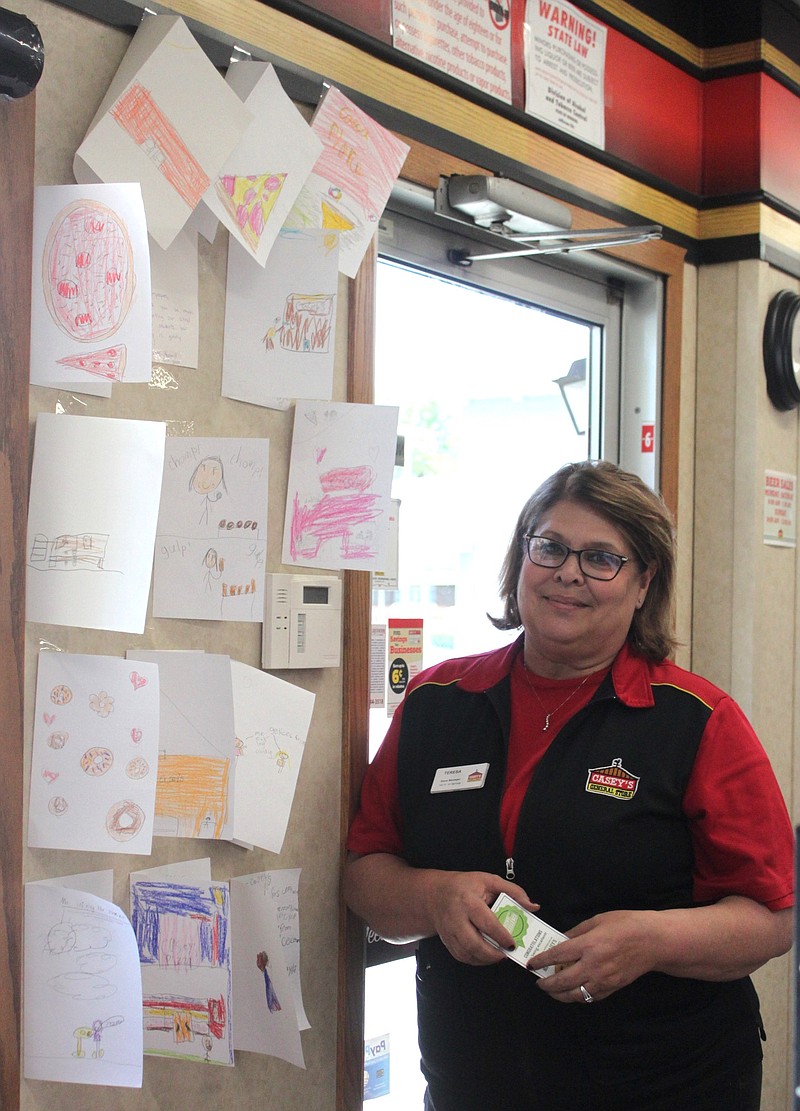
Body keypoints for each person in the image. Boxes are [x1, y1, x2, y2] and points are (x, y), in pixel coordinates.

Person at [344, 460, 794, 1111]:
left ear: (644, 583)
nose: (569, 572)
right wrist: (436, 895)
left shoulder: (699, 721)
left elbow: (772, 917)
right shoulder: (437, 702)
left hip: (667, 1084)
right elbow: (365, 874)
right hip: (474, 1080)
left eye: (602, 558)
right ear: (521, 558)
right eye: (550, 546)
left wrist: (651, 940)